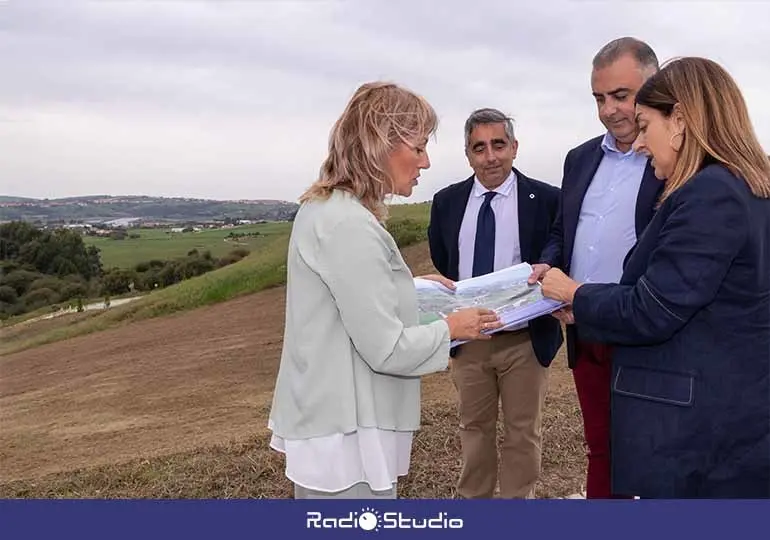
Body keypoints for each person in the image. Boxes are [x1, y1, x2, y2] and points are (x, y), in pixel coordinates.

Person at [541, 56, 770, 498]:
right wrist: (584, 305)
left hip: (703, 430)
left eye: (645, 126)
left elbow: (655, 308)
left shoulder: (711, 194)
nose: (640, 144)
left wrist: (576, 293)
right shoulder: (742, 187)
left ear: (680, 121)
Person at [267, 81, 503, 500]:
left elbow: (345, 300)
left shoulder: (327, 209)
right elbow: (387, 349)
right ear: (380, 145)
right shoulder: (349, 226)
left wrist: (410, 288)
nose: (426, 161)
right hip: (347, 433)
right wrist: (452, 328)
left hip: (332, 419)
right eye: (419, 146)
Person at [527, 37, 663, 498]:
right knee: (600, 449)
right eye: (599, 98)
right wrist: (548, 266)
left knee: (654, 450)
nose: (608, 110)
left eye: (621, 96)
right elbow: (563, 231)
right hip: (583, 329)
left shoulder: (675, 159)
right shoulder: (580, 158)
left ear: (654, 86)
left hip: (645, 329)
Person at [427, 108, 562, 498]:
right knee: (474, 431)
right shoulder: (447, 202)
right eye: (479, 148)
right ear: (468, 154)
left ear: (514, 148)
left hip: (524, 340)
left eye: (498, 145)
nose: (490, 157)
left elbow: (555, 250)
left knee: (523, 433)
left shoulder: (546, 199)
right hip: (470, 342)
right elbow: (443, 256)